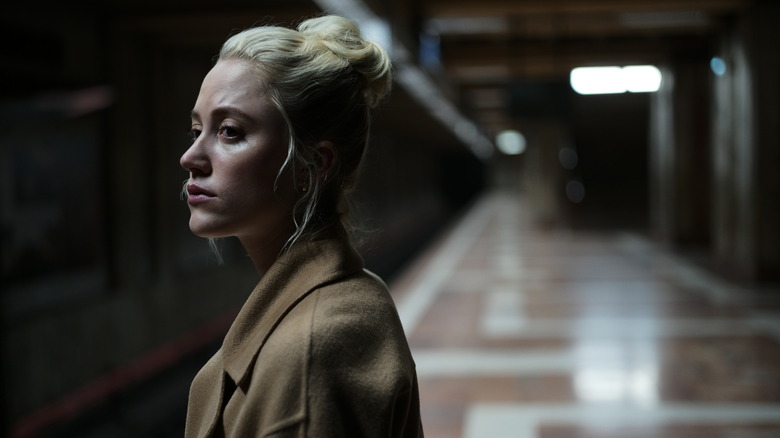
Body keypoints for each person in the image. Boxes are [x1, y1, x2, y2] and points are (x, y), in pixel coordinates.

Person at [179, 14, 424, 438]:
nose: (191, 157)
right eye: (197, 129)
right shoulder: (345, 298)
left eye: (230, 131)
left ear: (315, 162)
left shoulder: (309, 355)